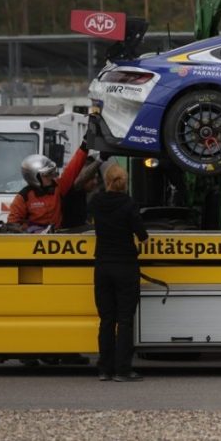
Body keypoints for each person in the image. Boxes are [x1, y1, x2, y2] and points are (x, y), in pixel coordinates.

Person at [92, 162, 150, 382]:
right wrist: (144, 240)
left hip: (102, 265)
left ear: (107, 181)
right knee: (125, 319)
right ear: (125, 184)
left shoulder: (97, 202)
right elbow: (141, 234)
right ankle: (123, 370)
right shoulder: (128, 204)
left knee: (106, 319)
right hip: (125, 265)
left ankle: (104, 369)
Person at [6, 144, 88, 232]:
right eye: (47, 175)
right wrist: (31, 230)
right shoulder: (23, 197)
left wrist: (85, 145)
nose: (51, 177)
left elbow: (73, 168)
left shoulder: (58, 187)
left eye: (51, 173)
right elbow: (12, 224)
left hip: (56, 238)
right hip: (32, 241)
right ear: (34, 177)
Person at [61, 156, 103, 229]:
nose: (95, 182)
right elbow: (82, 179)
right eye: (92, 178)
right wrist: (100, 160)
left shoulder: (85, 194)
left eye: (96, 178)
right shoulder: (70, 191)